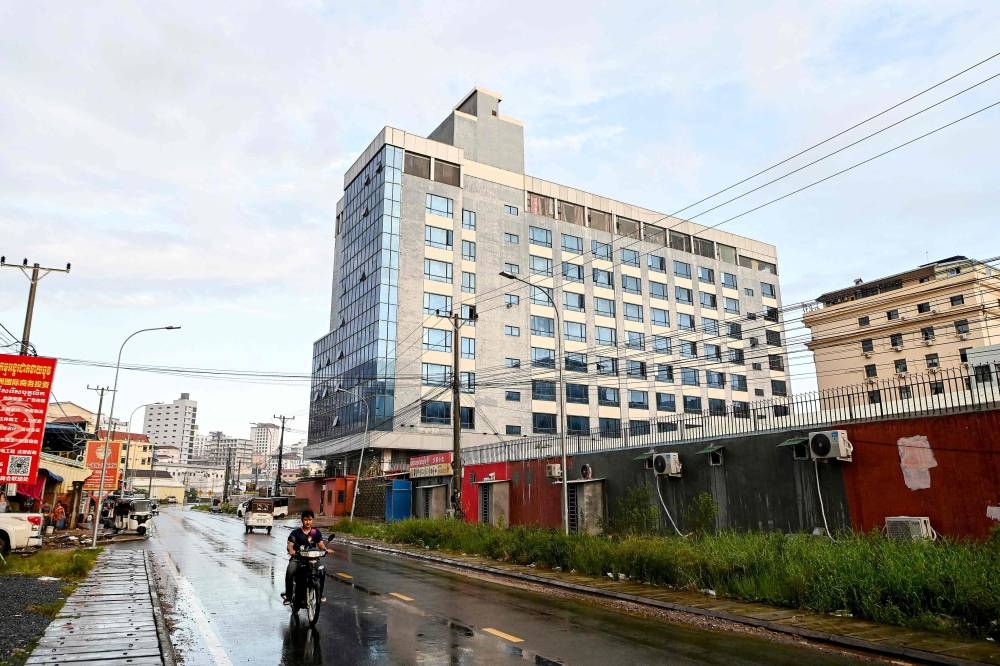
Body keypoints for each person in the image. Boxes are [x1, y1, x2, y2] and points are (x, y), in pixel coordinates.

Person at [283, 510, 333, 605]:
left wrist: (325, 550)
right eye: (305, 520)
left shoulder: (315, 532)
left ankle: (320, 594)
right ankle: (289, 597)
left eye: (309, 520)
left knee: (322, 571)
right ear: (302, 520)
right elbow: (290, 545)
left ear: (312, 520)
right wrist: (291, 551)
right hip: (298, 558)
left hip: (312, 558)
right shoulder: (295, 533)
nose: (308, 522)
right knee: (290, 571)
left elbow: (321, 545)